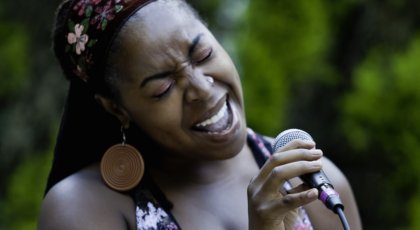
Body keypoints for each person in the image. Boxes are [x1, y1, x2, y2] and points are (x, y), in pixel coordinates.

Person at [38, 0, 362, 229]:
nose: (203, 89)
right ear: (117, 109)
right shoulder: (82, 208)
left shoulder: (314, 185)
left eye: (203, 54)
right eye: (163, 88)